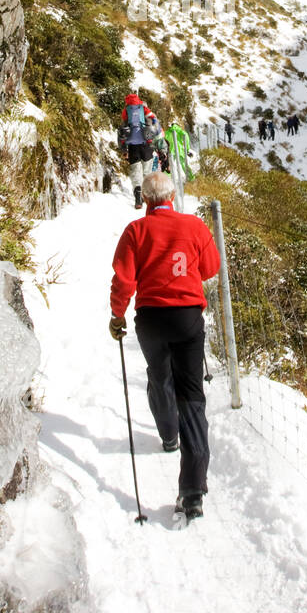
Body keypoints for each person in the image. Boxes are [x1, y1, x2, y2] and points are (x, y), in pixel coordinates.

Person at [108, 172, 221, 521]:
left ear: (145, 199)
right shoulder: (195, 227)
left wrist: (117, 316)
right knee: (192, 396)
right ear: (172, 195)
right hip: (187, 317)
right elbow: (210, 268)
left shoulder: (135, 231)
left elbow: (123, 279)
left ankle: (169, 435)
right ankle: (192, 491)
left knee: (159, 376)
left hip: (150, 318)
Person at [118, 92, 159, 208]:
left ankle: (138, 197)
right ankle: (148, 196)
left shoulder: (126, 111)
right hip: (146, 144)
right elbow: (154, 119)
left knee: (136, 171)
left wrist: (123, 149)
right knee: (147, 170)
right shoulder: (143, 108)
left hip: (132, 145)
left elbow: (123, 128)